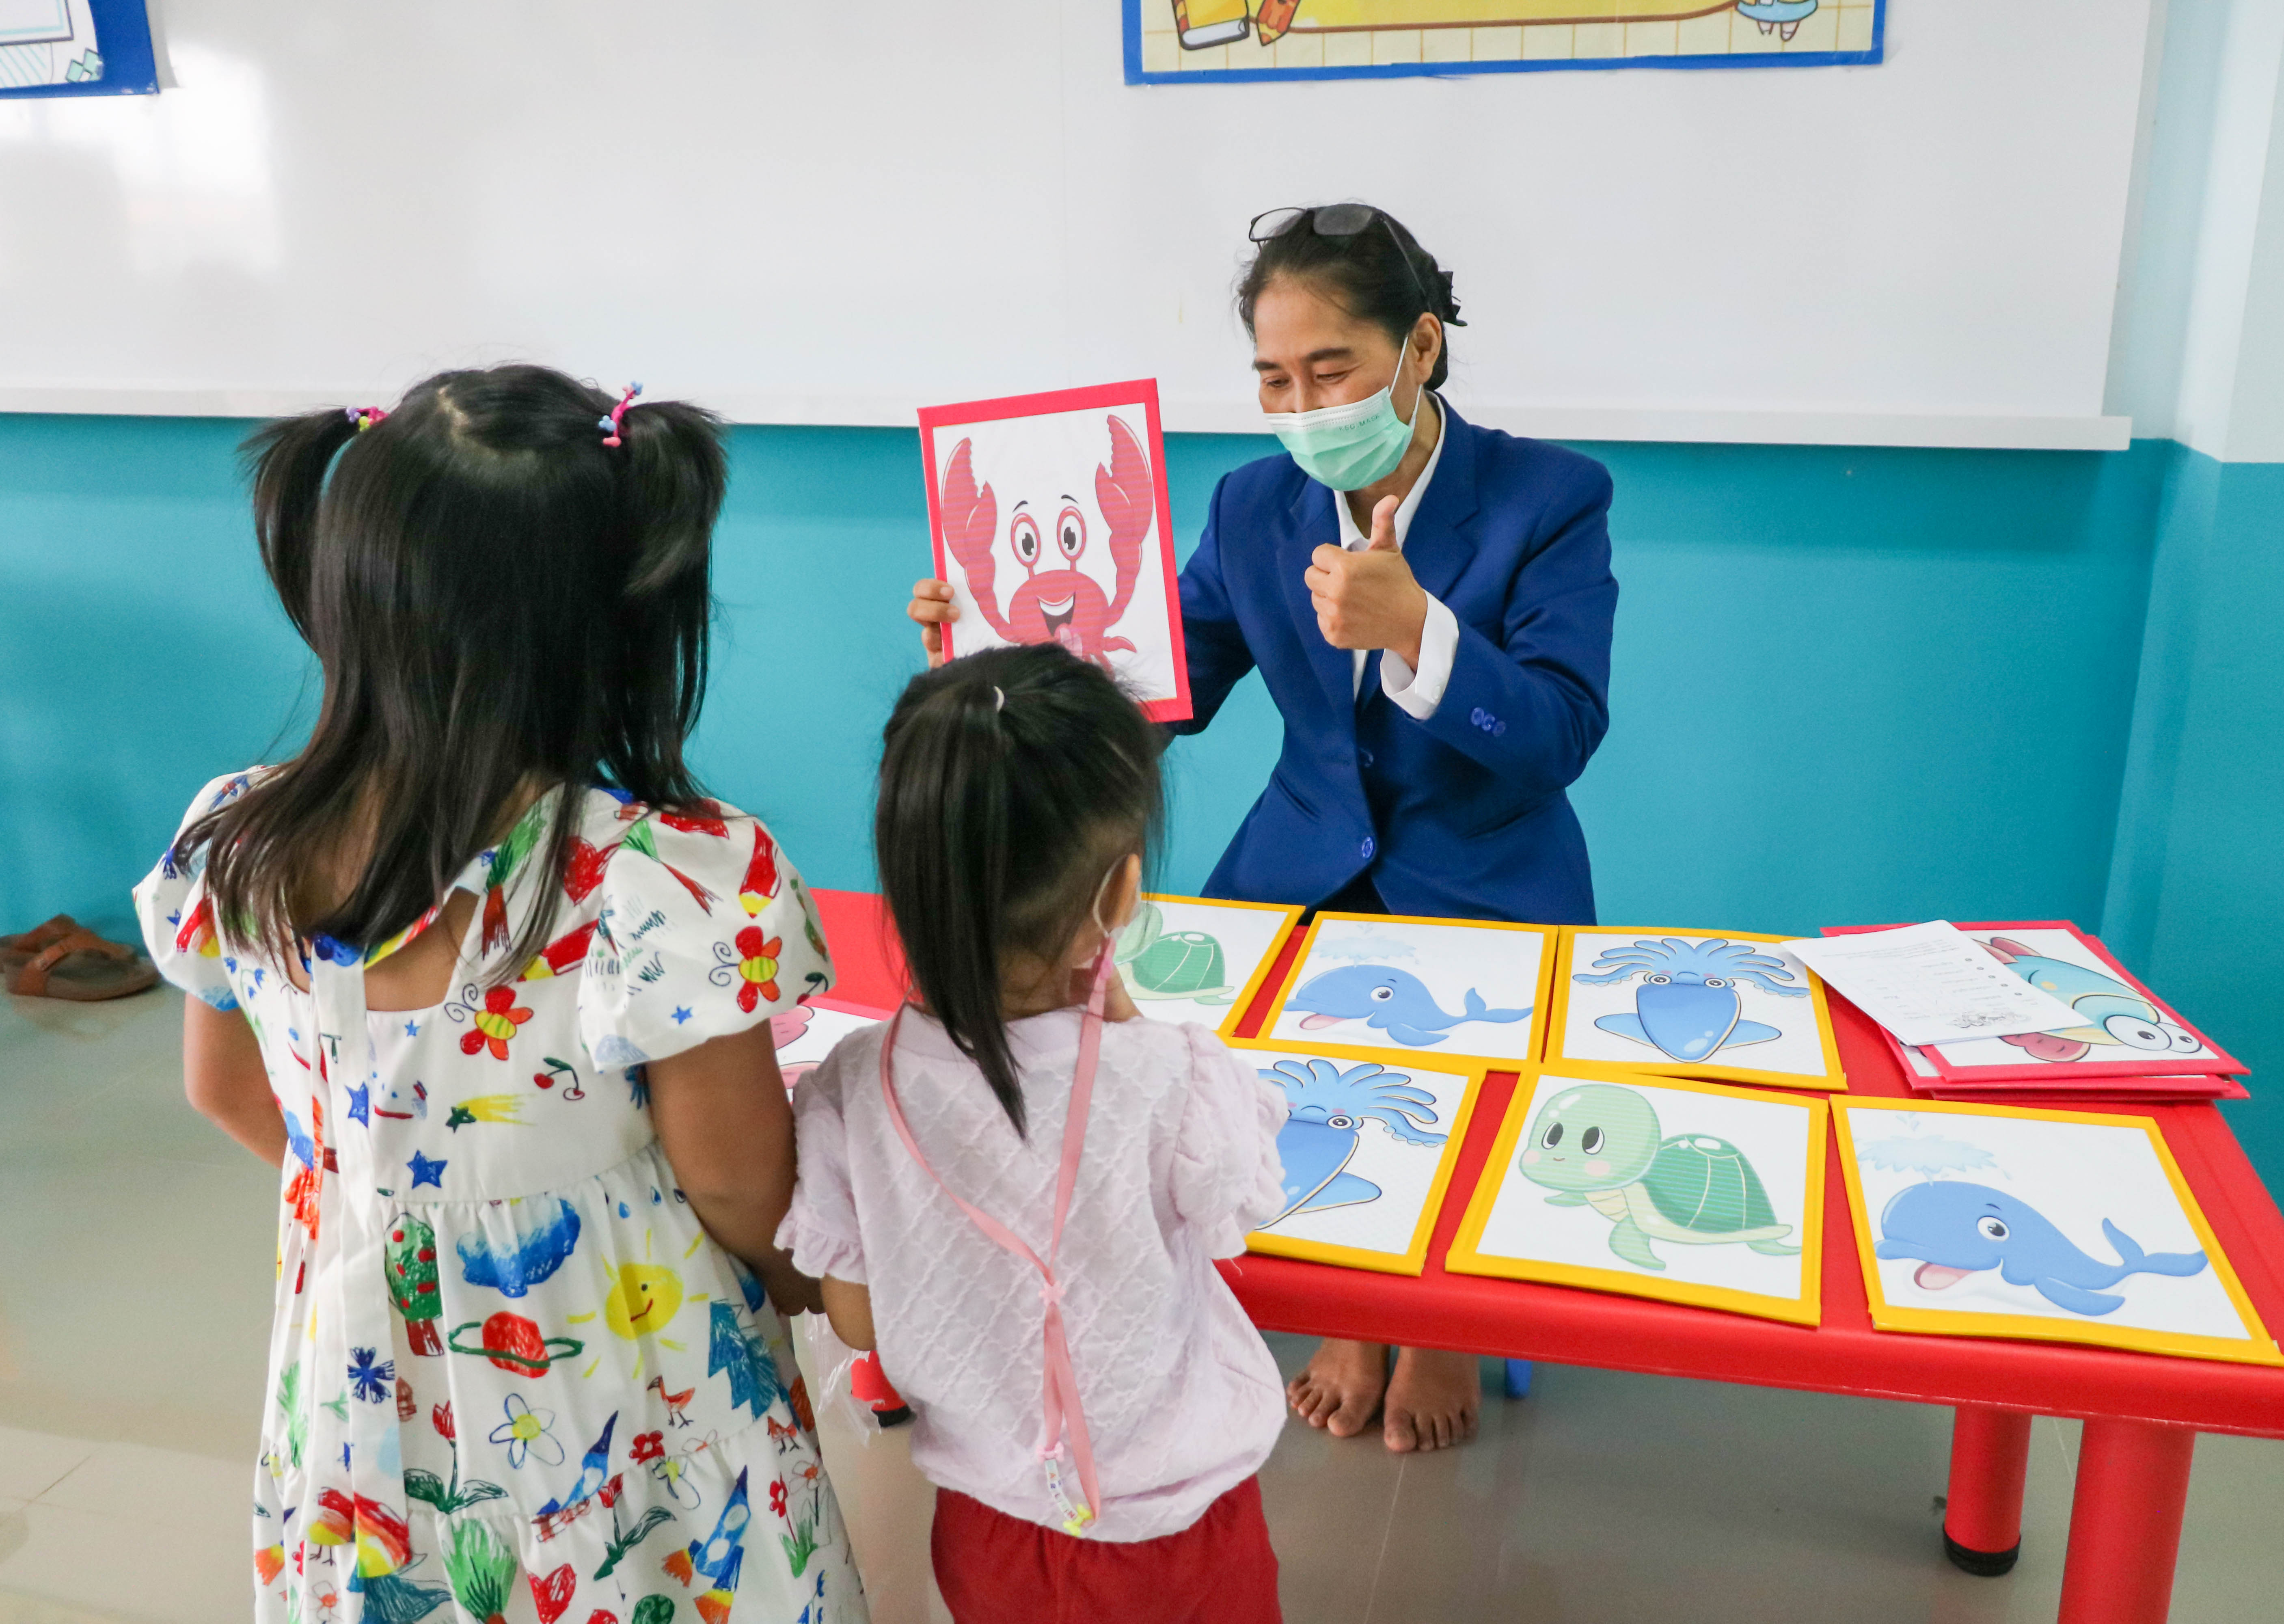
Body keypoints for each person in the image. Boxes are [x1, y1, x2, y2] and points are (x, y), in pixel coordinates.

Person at [138, 366, 865, 1624]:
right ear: (611, 622)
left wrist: (394, 1201)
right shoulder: (660, 876)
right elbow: (739, 1183)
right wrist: (818, 1285)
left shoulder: (234, 840)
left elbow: (225, 1090)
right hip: (625, 1395)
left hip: (361, 1400)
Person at [907, 204, 1618, 1453]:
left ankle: (1436, 1324)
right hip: (1300, 861)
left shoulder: (1548, 497)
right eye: (1274, 379)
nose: (1302, 406)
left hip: (1492, 873)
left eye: (1331, 370)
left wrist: (1420, 631)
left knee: (1459, 1104)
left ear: (1422, 348)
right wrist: (996, 672)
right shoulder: (1253, 505)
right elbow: (1157, 694)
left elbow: (1561, 731)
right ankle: (1353, 1310)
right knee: (1265, 1088)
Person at [781, 643, 1289, 1624]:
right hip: (1181, 1528)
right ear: (1121, 895)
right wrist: (1133, 1024)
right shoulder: (1172, 1075)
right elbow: (1242, 1199)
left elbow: (857, 1320)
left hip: (990, 1525)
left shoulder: (850, 1088)